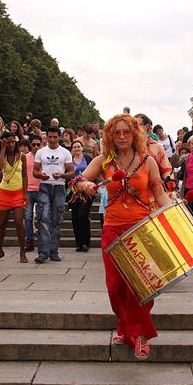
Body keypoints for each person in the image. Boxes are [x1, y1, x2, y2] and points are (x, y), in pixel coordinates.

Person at [77, 114, 172, 360]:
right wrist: (84, 186)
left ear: (135, 134)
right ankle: (124, 326)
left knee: (139, 286)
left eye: (126, 132)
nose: (121, 136)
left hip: (141, 228)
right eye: (116, 133)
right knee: (115, 286)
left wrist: (171, 211)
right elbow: (79, 180)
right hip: (112, 228)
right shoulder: (103, 161)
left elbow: (159, 194)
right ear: (109, 136)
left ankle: (139, 335)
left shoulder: (148, 161)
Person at [33, 126, 74, 264]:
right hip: (45, 185)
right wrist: (41, 175)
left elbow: (71, 171)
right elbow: (35, 171)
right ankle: (43, 252)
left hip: (59, 186)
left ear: (59, 137)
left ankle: (53, 251)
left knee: (57, 219)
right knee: (43, 218)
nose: (51, 139)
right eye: (49, 137)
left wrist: (62, 175)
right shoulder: (41, 152)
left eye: (54, 137)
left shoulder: (65, 152)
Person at [0, 132, 28, 263]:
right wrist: (2, 148)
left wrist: (25, 193)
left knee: (19, 222)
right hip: (4, 192)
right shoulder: (2, 155)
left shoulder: (22, 156)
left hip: (18, 192)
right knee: (2, 223)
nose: (11, 144)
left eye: (13, 142)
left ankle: (22, 252)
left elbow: (25, 176)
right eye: (8, 142)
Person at [69, 140, 94, 252]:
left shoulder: (88, 159)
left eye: (78, 146)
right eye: (74, 147)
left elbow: (94, 172)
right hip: (74, 192)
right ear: (72, 149)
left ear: (82, 148)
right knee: (75, 217)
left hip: (87, 191)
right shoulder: (69, 161)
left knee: (83, 216)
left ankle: (85, 242)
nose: (77, 149)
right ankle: (78, 243)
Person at [23, 135, 42, 252]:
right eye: (33, 144)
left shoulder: (44, 157)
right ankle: (29, 241)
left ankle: (42, 241)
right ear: (30, 145)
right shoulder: (24, 157)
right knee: (28, 217)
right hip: (28, 190)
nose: (36, 147)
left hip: (41, 189)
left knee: (41, 217)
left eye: (38, 144)